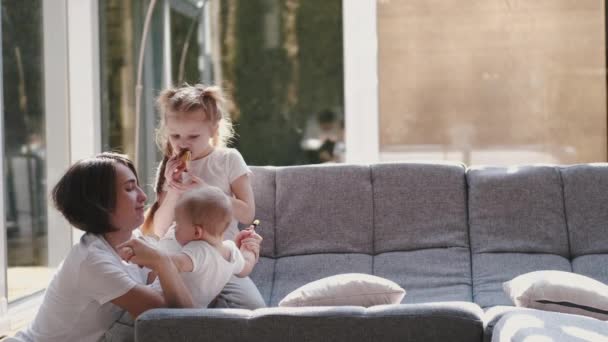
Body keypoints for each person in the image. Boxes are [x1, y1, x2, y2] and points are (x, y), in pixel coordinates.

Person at [9, 152, 194, 342]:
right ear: (100, 203)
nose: (143, 196)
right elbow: (173, 323)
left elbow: (183, 314)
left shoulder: (134, 241)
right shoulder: (93, 261)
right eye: (129, 188)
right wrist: (162, 262)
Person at [141, 84, 265, 309]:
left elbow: (248, 212)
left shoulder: (228, 159)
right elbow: (159, 229)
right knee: (160, 302)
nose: (182, 144)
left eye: (193, 136)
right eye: (175, 136)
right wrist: (173, 190)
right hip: (179, 250)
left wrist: (208, 191)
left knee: (254, 307)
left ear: (213, 130)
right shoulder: (169, 166)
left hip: (219, 252)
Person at [141, 187, 258, 308]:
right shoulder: (231, 251)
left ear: (197, 232)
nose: (174, 229)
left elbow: (172, 262)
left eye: (178, 225)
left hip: (161, 306)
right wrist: (249, 250)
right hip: (197, 313)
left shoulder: (199, 250)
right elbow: (246, 267)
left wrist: (144, 254)